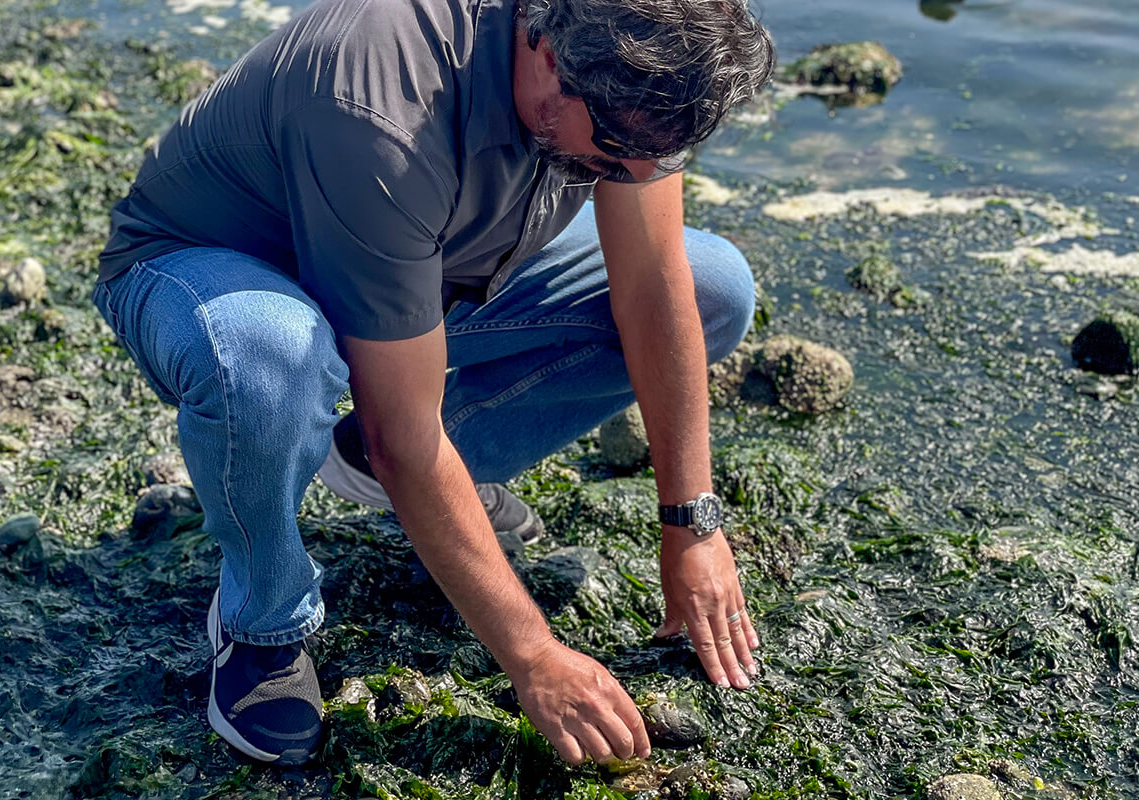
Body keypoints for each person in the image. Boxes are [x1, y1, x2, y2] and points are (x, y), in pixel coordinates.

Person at [93, 0, 774, 767]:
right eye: (618, 151)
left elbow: (653, 288)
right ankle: (260, 620)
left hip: (432, 254)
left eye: (665, 152)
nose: (640, 175)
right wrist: (535, 659)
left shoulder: (634, 84)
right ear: (549, 54)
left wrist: (693, 522)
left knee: (715, 285)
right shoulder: (382, 107)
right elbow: (406, 438)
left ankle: (390, 471)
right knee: (274, 357)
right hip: (217, 266)